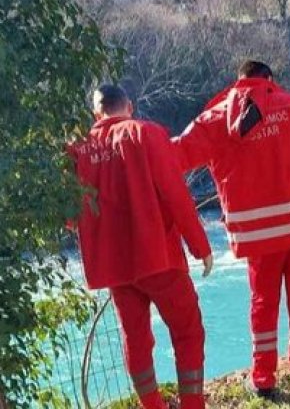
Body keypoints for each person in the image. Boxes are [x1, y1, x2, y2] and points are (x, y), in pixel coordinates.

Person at [173, 60, 290, 398]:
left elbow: (175, 156)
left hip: (258, 235)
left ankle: (264, 378)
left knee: (263, 304)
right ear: (269, 80)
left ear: (238, 82)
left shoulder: (215, 119)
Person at [68, 84, 213, 409]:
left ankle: (152, 406)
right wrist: (200, 246)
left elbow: (70, 217)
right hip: (157, 256)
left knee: (135, 339)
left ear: (96, 113)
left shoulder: (79, 149)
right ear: (129, 106)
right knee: (188, 332)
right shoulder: (146, 134)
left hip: (114, 266)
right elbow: (175, 193)